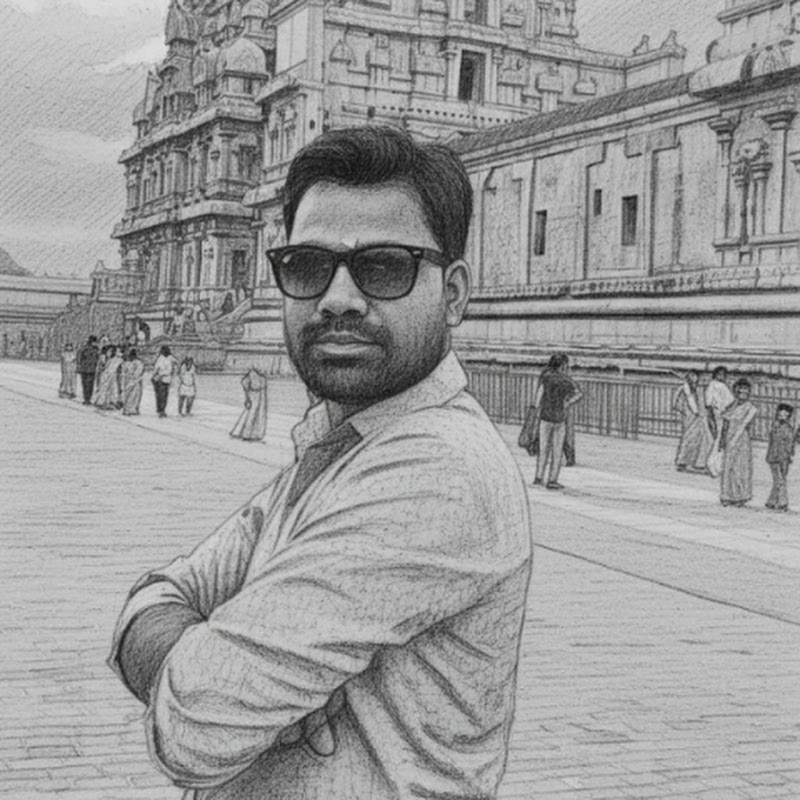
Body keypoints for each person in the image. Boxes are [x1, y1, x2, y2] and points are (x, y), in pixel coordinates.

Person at [109, 125, 532, 800]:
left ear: (454, 293)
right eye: (307, 266)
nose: (338, 298)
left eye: (384, 267)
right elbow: (156, 596)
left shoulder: (438, 471)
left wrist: (212, 667)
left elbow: (197, 723)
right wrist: (204, 661)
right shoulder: (340, 442)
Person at [534, 352, 583, 489]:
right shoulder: (565, 379)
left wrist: (536, 409)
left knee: (543, 449)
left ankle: (539, 477)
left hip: (545, 417)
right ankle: (552, 480)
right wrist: (567, 402)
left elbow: (538, 396)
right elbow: (578, 393)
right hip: (559, 418)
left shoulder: (546, 377)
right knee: (557, 451)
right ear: (563, 365)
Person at [719, 378, 758, 507]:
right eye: (740, 388)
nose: (742, 391)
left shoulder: (751, 408)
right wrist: (722, 440)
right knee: (728, 467)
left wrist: (734, 439)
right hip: (729, 436)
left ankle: (741, 496)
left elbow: (744, 425)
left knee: (741, 468)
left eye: (745, 389)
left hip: (741, 439)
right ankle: (727, 495)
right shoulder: (731, 406)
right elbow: (725, 423)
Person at [673, 370, 713, 472]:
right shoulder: (683, 389)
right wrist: (685, 411)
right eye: (691, 375)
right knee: (689, 439)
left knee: (700, 440)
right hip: (690, 417)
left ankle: (697, 462)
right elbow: (676, 403)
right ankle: (683, 461)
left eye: (695, 375)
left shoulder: (699, 389)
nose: (694, 378)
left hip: (699, 417)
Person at [765, 403, 798, 511]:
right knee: (779, 480)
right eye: (780, 414)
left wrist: (789, 454)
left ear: (788, 416)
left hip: (784, 458)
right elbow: (772, 442)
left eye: (785, 415)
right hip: (774, 457)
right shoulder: (775, 427)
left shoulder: (789, 429)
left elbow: (790, 444)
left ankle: (772, 501)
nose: (782, 417)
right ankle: (782, 502)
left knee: (780, 479)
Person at [705, 365, 734, 478]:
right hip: (721, 414)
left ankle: (716, 465)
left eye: (723, 375)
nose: (722, 377)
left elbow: (708, 403)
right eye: (720, 374)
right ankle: (714, 464)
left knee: (719, 438)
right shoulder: (720, 386)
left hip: (718, 413)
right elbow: (730, 401)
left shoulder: (712, 385)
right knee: (721, 438)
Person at [229, 365, 268, 439]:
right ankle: (247, 433)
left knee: (255, 415)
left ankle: (251, 433)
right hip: (255, 397)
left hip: (258, 398)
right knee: (252, 414)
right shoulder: (254, 375)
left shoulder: (259, 376)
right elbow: (246, 385)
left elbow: (246, 385)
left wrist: (247, 397)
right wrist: (247, 398)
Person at [93, 345, 124, 410]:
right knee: (104, 388)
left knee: (113, 390)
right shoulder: (105, 358)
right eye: (108, 351)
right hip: (106, 376)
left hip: (114, 376)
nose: (109, 353)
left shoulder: (118, 360)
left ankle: (112, 403)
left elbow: (120, 369)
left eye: (111, 351)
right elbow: (102, 367)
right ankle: (102, 402)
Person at [151, 344, 177, 418]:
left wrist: (159, 374)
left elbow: (172, 367)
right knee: (160, 395)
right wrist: (154, 375)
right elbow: (156, 368)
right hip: (160, 379)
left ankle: (161, 410)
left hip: (165, 379)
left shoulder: (169, 358)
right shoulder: (161, 358)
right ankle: (160, 410)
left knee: (163, 396)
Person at [120, 349, 145, 415]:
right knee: (128, 395)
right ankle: (127, 409)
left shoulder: (138, 363)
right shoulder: (127, 363)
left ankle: (133, 409)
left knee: (134, 395)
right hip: (128, 381)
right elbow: (123, 372)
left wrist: (133, 376)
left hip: (135, 381)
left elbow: (139, 372)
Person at [76, 335, 100, 405]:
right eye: (94, 342)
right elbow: (79, 357)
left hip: (92, 369)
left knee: (90, 385)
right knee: (85, 384)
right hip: (85, 369)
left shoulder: (96, 349)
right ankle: (86, 398)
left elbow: (98, 358)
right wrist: (79, 366)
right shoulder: (84, 348)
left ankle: (88, 398)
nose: (95, 343)